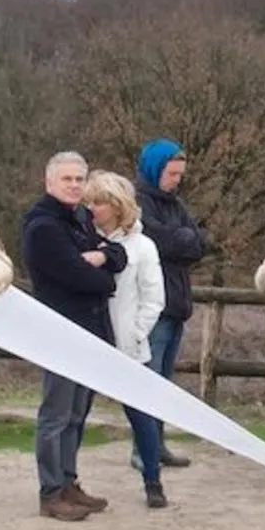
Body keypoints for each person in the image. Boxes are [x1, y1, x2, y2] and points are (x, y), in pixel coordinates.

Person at [22, 151, 126, 522]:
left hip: (90, 331)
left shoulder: (80, 218)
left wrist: (101, 258)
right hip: (59, 332)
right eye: (67, 179)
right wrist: (100, 268)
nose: (74, 185)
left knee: (78, 412)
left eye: (79, 179)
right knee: (57, 414)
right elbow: (79, 277)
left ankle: (68, 481)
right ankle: (50, 492)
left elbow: (117, 255)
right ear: (50, 182)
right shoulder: (43, 227)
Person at [87, 170, 170, 509]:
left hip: (128, 345)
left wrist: (135, 335)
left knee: (141, 416)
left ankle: (153, 479)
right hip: (89, 341)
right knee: (76, 413)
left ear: (117, 206)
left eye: (100, 202)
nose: (92, 208)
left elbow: (154, 298)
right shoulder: (83, 239)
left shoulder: (143, 246)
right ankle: (66, 480)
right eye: (89, 201)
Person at [134, 139, 204, 471]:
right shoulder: (139, 203)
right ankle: (141, 448)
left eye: (180, 174)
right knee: (147, 379)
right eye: (172, 173)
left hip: (176, 300)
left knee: (163, 380)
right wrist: (181, 239)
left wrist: (182, 240)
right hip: (153, 305)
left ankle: (156, 442)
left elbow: (199, 241)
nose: (177, 180)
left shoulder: (176, 205)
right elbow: (157, 241)